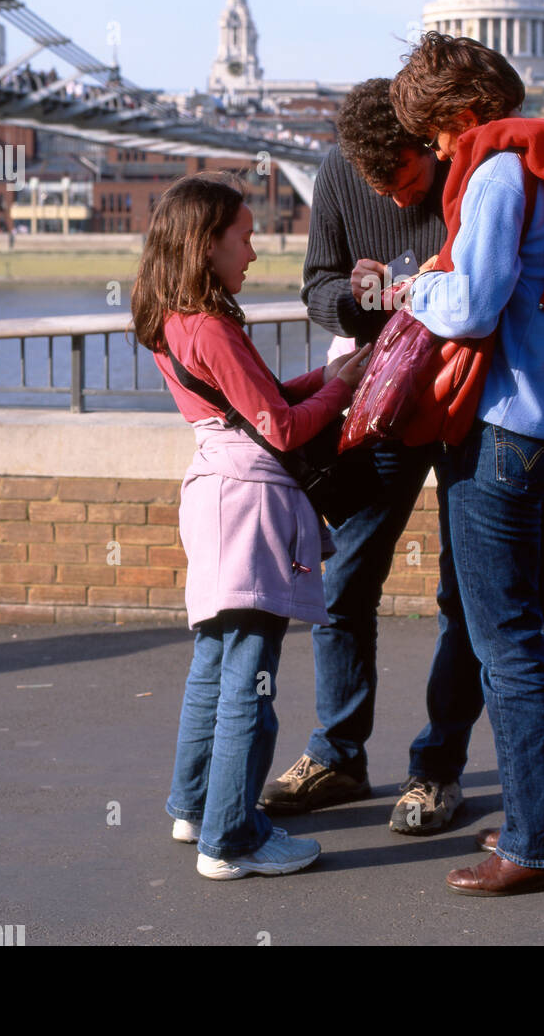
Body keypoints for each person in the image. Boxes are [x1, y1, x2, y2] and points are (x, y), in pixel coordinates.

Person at [388, 31, 544, 897]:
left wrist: (412, 283)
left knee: (508, 645)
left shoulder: (497, 170)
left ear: (462, 116)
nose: (439, 157)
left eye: (437, 140)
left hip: (499, 433)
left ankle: (534, 845)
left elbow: (471, 305)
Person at [259, 77, 486, 835]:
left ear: (428, 145)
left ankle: (437, 769)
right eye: (376, 188)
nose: (394, 202)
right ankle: (338, 754)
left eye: (406, 183)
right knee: (344, 582)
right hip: (380, 401)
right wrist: (359, 303)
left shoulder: (472, 169)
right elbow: (318, 285)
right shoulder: (334, 174)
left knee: (467, 596)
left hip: (467, 402)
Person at [130, 172, 372, 880]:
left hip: (213, 488)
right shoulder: (213, 324)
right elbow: (286, 430)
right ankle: (231, 839)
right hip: (252, 502)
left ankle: (194, 805)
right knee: (249, 679)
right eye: (243, 236)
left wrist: (333, 377)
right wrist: (343, 388)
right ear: (206, 244)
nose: (255, 252)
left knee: (213, 663)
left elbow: (248, 406)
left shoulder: (171, 320)